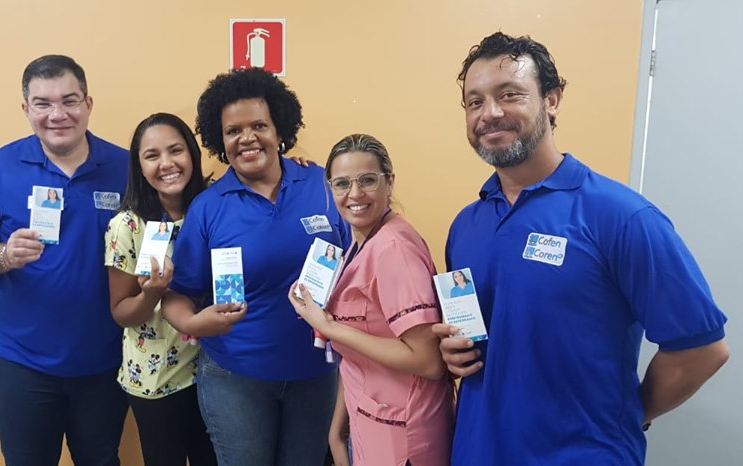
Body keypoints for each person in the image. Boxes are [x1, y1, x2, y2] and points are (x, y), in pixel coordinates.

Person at [434, 32, 730, 465]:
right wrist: (454, 352)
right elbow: (494, 332)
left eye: (509, 94)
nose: (490, 113)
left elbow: (702, 350)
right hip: (477, 451)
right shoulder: (466, 226)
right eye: (474, 102)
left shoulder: (621, 217)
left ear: (551, 100)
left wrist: (627, 416)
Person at [0, 55, 129, 466]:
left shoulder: (127, 167)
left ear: (88, 104)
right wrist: (3, 255)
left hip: (105, 362)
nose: (57, 114)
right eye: (43, 103)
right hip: (22, 364)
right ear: (26, 108)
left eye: (69, 100)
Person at [161, 67, 350, 466]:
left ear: (279, 128)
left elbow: (359, 263)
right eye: (233, 131)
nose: (246, 138)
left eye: (259, 125)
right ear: (220, 140)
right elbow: (178, 295)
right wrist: (194, 323)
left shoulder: (324, 185)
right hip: (235, 378)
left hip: (316, 373)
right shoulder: (208, 208)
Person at [289, 134, 454, 466]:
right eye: (342, 183)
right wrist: (337, 431)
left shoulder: (394, 250)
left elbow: (428, 361)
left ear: (389, 183)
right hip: (372, 422)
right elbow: (358, 356)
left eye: (367, 180)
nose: (354, 194)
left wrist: (329, 328)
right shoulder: (360, 243)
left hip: (405, 435)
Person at [105, 113, 216, 466]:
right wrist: (151, 294)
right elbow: (121, 312)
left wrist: (292, 164)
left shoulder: (215, 206)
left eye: (175, 150)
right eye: (152, 156)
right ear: (139, 167)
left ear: (192, 154)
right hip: (157, 380)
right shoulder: (127, 226)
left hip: (215, 370)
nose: (166, 164)